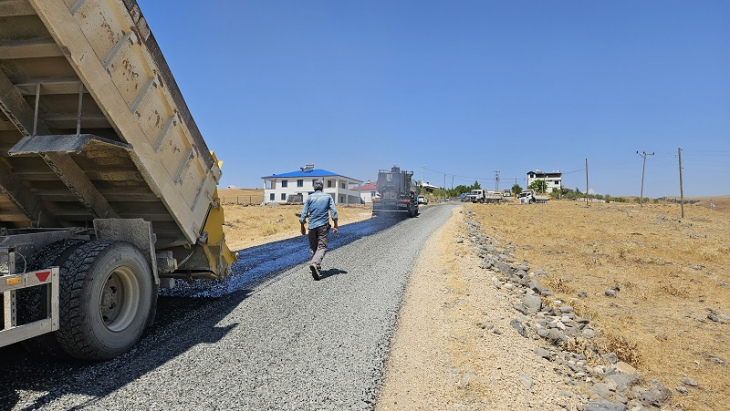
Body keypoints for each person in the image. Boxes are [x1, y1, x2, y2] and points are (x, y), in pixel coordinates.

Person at [300, 179, 338, 280]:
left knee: (313, 248)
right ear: (322, 187)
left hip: (311, 226)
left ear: (314, 187)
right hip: (323, 226)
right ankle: (315, 263)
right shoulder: (328, 197)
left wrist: (302, 226)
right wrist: (336, 225)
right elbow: (333, 211)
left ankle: (317, 269)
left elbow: (303, 213)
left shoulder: (309, 197)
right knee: (322, 247)